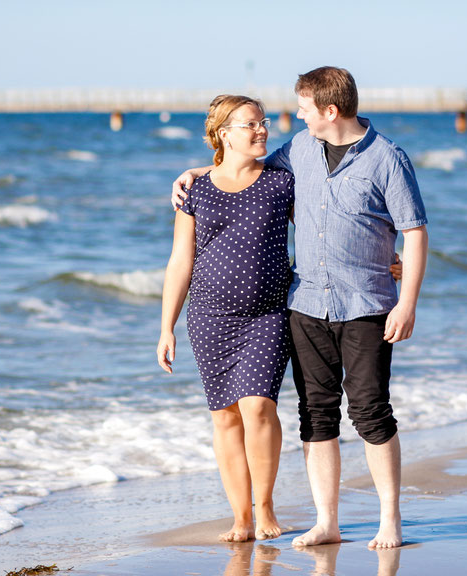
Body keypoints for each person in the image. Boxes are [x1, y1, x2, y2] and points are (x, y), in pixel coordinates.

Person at [172, 66, 428, 550]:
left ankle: (390, 519)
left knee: (371, 411)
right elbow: (242, 168)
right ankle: (326, 522)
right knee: (317, 414)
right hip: (305, 302)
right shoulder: (300, 152)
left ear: (329, 111)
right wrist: (195, 173)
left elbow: (413, 230)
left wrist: (407, 301)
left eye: (304, 110)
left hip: (367, 302)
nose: (295, 119)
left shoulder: (388, 159)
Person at [157, 95, 293, 542]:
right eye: (251, 125)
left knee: (257, 407)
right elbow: (180, 261)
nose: (262, 131)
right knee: (225, 418)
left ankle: (266, 505)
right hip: (210, 318)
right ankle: (241, 517)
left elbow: (323, 229)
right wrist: (166, 327)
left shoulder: (281, 183)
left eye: (263, 123)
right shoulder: (197, 190)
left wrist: (382, 255)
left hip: (268, 314)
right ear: (223, 134)